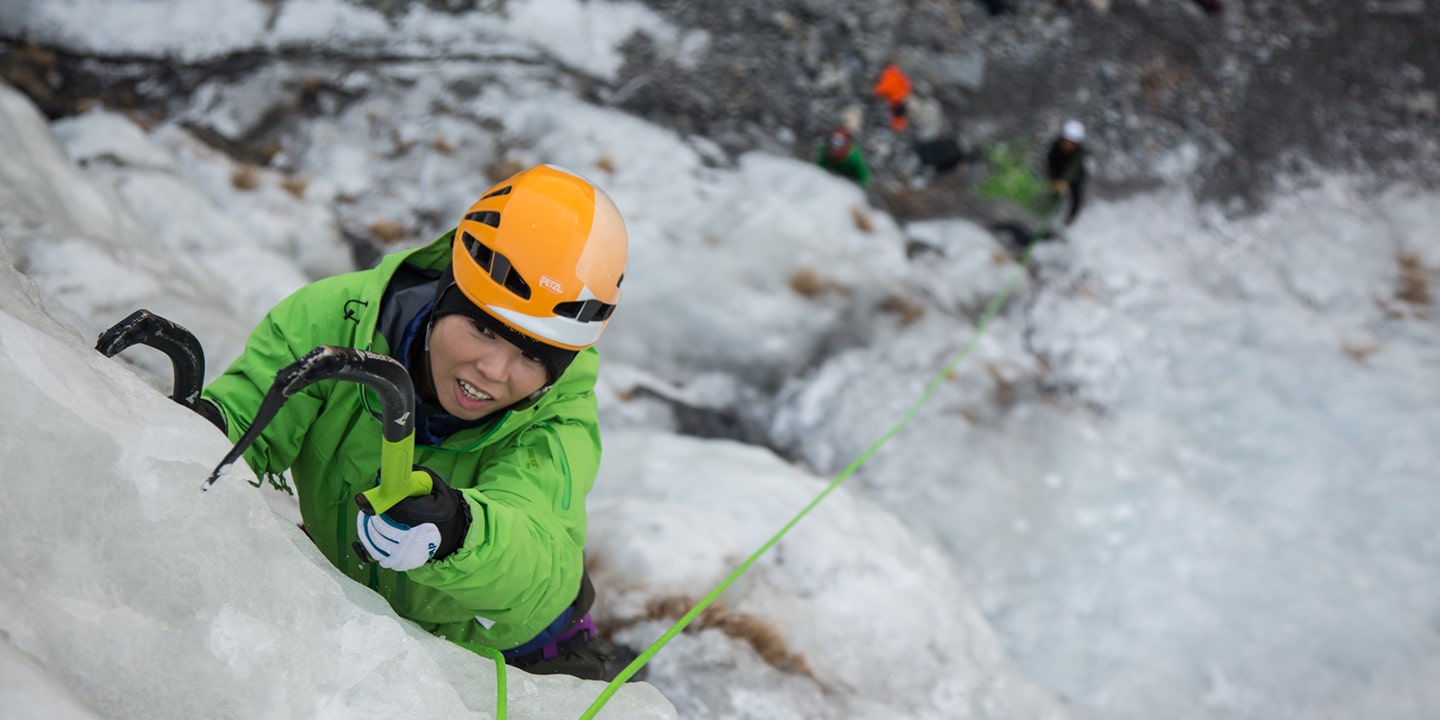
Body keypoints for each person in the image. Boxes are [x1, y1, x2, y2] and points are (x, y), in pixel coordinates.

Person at [196, 164, 643, 682]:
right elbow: (242, 427)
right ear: (444, 292)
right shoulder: (334, 322)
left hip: (517, 661)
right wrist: (198, 427)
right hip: (356, 616)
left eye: (533, 356)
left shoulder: (560, 409)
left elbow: (538, 548)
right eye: (482, 327)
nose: (494, 372)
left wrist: (458, 530)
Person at [1045, 119, 1089, 226]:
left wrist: (1064, 181)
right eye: (1066, 141)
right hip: (1059, 173)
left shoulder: (1079, 153)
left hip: (1076, 176)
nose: (1067, 145)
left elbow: (1073, 168)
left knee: (1076, 198)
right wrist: (1053, 179)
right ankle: (1048, 217)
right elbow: (1051, 163)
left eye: (1071, 143)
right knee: (1055, 196)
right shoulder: (1055, 147)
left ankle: (1069, 221)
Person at [872, 63, 913, 132]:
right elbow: (876, 91)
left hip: (887, 70)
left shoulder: (906, 89)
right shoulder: (898, 94)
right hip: (884, 73)